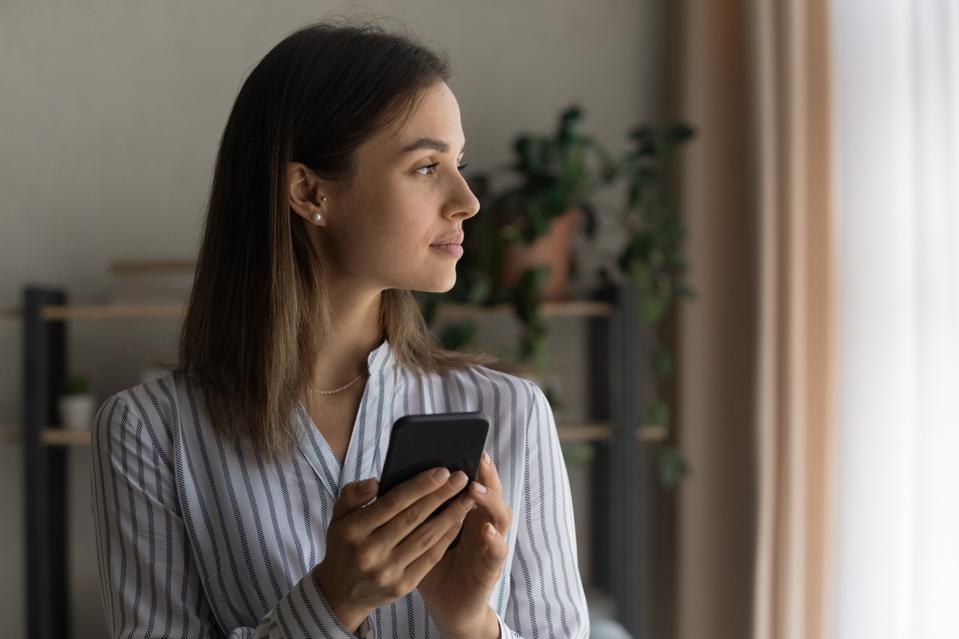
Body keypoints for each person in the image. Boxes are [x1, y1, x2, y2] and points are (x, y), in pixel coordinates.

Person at [90, 17, 590, 639]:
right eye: (426, 166)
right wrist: (330, 603)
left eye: (457, 162)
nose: (468, 200)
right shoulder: (151, 432)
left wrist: (471, 624)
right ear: (309, 192)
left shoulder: (511, 414)